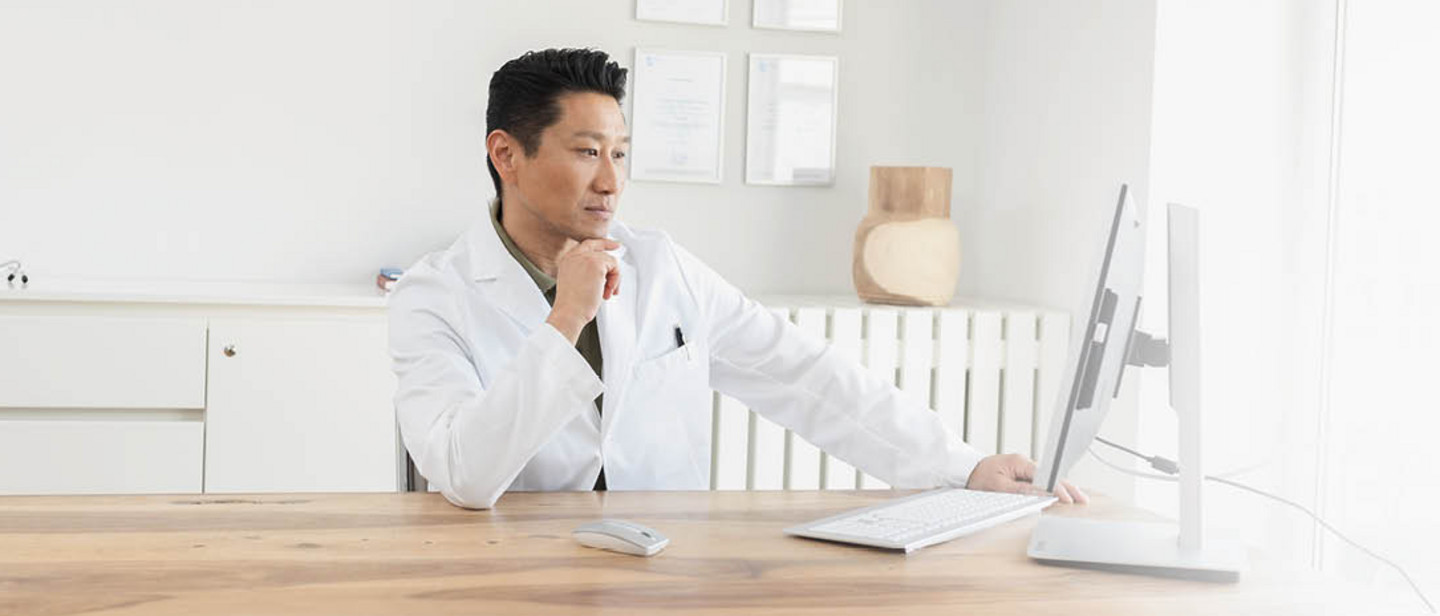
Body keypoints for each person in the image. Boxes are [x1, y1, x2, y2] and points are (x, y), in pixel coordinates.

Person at [389, 48, 1086, 509]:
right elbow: (465, 474)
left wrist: (962, 467)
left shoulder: (659, 266)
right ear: (506, 156)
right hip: (506, 580)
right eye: (586, 152)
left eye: (622, 154)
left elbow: (807, 375)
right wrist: (565, 318)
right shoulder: (435, 297)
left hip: (663, 573)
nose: (611, 181)